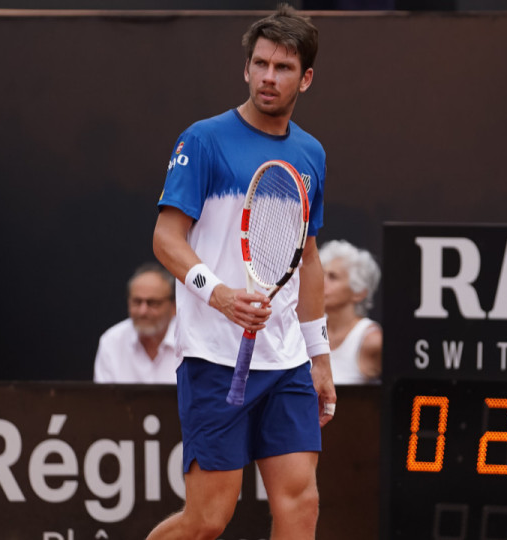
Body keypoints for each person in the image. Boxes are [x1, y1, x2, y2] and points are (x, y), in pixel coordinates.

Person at [147, 5, 335, 540]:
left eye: (283, 68)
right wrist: (221, 295)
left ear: (307, 78)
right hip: (214, 358)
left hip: (286, 361)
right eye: (260, 64)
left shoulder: (311, 154)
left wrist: (318, 355)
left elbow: (310, 258)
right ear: (246, 68)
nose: (268, 77)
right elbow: (166, 239)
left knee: (300, 505)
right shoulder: (202, 140)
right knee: (207, 521)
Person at [94, 263, 179, 384]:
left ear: (174, 306)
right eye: (137, 302)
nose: (142, 311)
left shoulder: (189, 341)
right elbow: (103, 400)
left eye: (153, 303)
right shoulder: (112, 341)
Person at [320, 239, 382, 384]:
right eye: (322, 274)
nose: (322, 282)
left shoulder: (372, 340)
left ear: (359, 292)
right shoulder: (308, 332)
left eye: (333, 277)